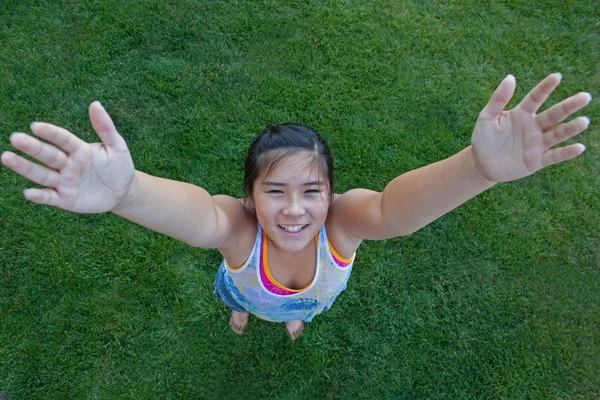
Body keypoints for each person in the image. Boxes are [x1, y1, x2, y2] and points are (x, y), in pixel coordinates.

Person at [1, 73, 592, 340]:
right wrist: (128, 193)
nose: (293, 211)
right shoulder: (240, 232)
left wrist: (476, 169)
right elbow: (199, 216)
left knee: (294, 312)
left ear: (330, 196)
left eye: (311, 191)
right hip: (243, 285)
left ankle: (292, 315)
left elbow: (394, 212)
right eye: (274, 192)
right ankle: (242, 314)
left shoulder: (343, 225)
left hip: (316, 293)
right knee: (238, 302)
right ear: (250, 198)